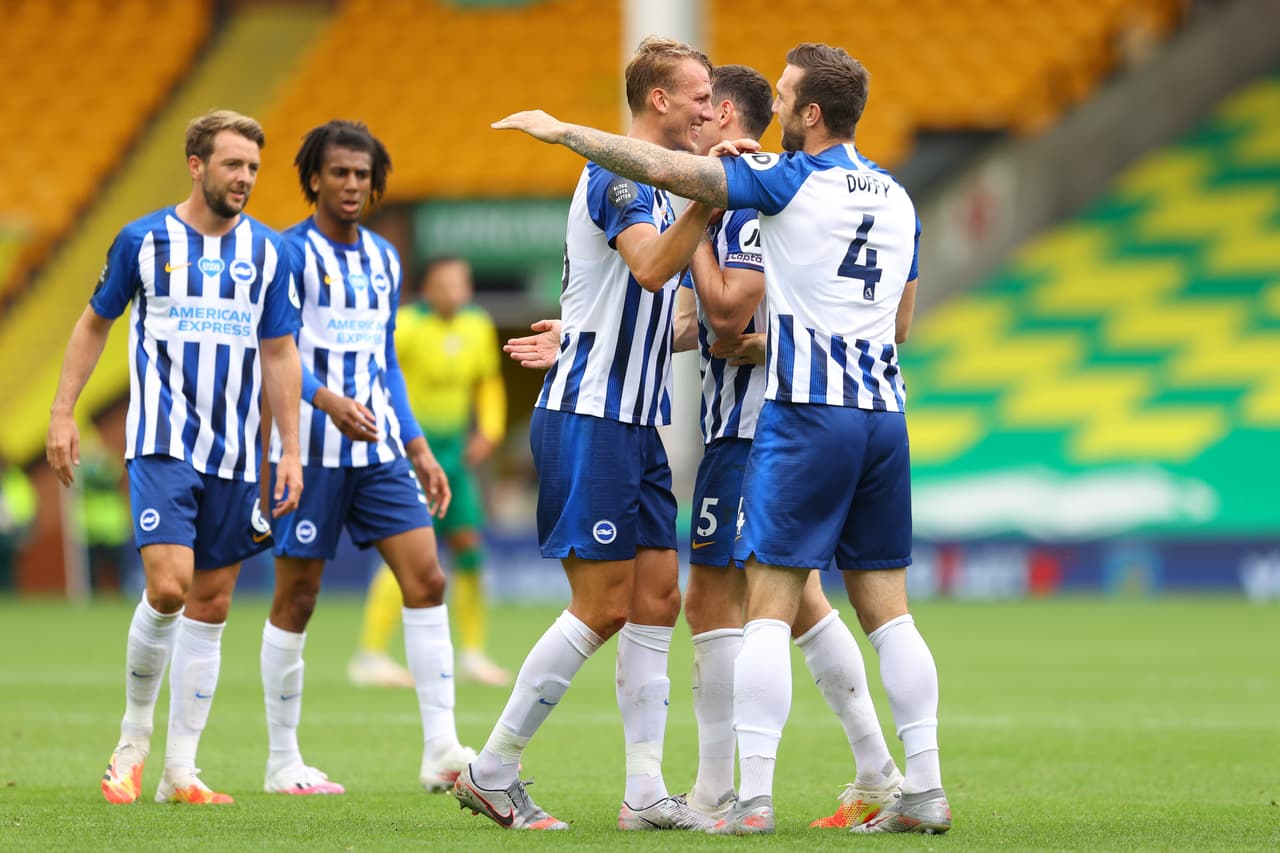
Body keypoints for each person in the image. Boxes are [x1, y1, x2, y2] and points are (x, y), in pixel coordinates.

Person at [492, 42, 950, 836]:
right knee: (871, 610)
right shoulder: (900, 197)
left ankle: (740, 796)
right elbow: (898, 324)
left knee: (754, 607)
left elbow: (728, 317)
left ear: (807, 114)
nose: (745, 113)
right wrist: (592, 334)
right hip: (881, 412)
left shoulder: (775, 182)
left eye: (779, 97)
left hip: (790, 421)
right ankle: (911, 779)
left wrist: (566, 131)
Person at [452, 36, 721, 832]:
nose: (709, 108)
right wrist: (714, 199)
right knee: (602, 606)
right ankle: (491, 769)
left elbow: (650, 315)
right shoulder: (621, 175)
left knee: (656, 600)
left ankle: (643, 790)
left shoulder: (661, 187)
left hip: (635, 423)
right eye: (698, 94)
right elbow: (646, 269)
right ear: (659, 101)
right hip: (591, 417)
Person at [45, 109, 304, 806]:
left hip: (234, 456)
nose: (245, 178)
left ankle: (180, 770)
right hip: (162, 443)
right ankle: (131, 743)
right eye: (232, 165)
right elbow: (94, 322)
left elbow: (280, 354)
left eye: (252, 166)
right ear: (196, 165)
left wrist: (289, 449)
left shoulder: (271, 253)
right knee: (168, 585)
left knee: (212, 601)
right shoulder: (143, 240)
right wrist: (63, 410)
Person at [259, 119, 473, 797]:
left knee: (428, 578)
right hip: (307, 452)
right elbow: (274, 351)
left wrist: (415, 447)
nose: (352, 184)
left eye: (362, 174)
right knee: (297, 595)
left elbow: (383, 361)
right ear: (314, 178)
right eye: (339, 172)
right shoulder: (287, 255)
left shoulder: (384, 258)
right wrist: (325, 402)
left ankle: (442, 748)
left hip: (379, 450)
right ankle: (281, 760)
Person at [348, 255, 511, 689]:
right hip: (412, 452)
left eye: (462, 284)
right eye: (446, 285)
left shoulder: (477, 326)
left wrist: (490, 431)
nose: (455, 293)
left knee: (470, 548)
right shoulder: (406, 326)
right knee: (410, 550)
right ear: (427, 288)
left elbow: (488, 381)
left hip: (455, 453)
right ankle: (370, 653)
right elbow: (375, 375)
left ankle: (474, 653)